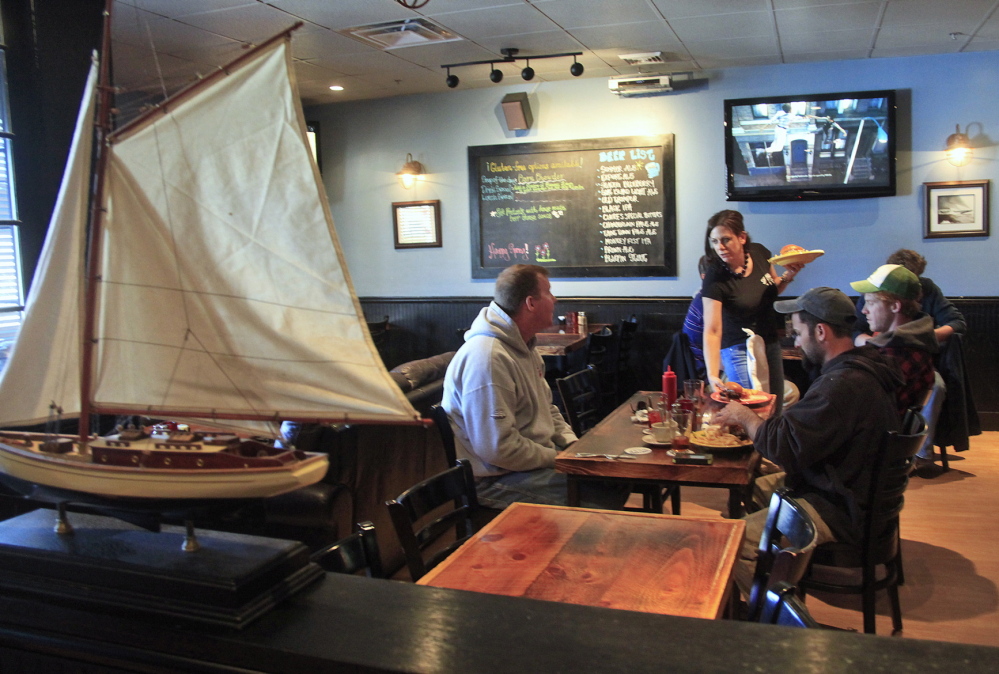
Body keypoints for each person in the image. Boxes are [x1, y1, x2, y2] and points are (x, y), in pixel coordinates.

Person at [711, 286, 902, 595]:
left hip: (840, 508)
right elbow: (799, 434)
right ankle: (775, 573)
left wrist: (745, 417)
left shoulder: (842, 385)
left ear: (821, 331)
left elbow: (783, 447)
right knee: (752, 486)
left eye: (798, 333)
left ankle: (764, 620)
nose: (796, 342)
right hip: (851, 492)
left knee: (728, 542)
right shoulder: (861, 367)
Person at [442, 264, 628, 510]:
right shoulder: (488, 358)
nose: (555, 299)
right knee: (600, 494)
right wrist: (558, 459)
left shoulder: (525, 346)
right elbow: (498, 449)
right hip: (493, 481)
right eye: (549, 293)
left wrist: (573, 448)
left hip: (526, 467)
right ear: (530, 303)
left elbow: (548, 409)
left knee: (616, 479)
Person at [701, 210, 804, 414]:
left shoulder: (760, 253)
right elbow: (712, 330)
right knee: (750, 410)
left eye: (726, 240)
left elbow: (772, 288)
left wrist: (789, 275)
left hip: (769, 342)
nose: (719, 247)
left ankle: (770, 447)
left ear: (742, 237)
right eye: (714, 242)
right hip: (737, 348)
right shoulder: (715, 276)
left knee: (774, 406)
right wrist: (713, 375)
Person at [850, 264, 937, 418]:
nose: (864, 311)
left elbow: (859, 413)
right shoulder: (917, 342)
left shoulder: (892, 356)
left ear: (895, 306)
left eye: (871, 302)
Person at [854, 248, 966, 344]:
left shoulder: (927, 288)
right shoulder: (875, 292)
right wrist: (877, 344)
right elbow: (853, 330)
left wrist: (918, 338)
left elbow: (957, 323)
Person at [680, 256, 710, 378]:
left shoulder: (701, 296)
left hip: (700, 365)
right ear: (704, 276)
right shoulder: (705, 301)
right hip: (703, 370)